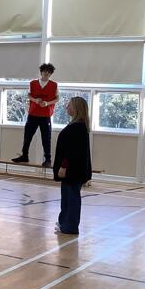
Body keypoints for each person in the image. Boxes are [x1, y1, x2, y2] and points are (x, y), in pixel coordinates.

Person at [53, 97, 92, 235]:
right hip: (73, 169)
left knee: (71, 198)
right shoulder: (78, 126)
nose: (66, 107)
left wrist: (64, 166)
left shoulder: (77, 127)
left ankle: (70, 226)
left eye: (69, 105)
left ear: (76, 108)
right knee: (67, 197)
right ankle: (65, 223)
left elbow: (72, 150)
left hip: (72, 170)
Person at [12, 63, 59, 168]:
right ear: (41, 72)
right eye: (44, 71)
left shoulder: (54, 85)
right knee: (27, 136)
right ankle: (24, 155)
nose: (46, 73)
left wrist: (47, 103)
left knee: (46, 138)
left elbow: (57, 98)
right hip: (33, 114)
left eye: (49, 72)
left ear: (51, 74)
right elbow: (29, 95)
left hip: (45, 115)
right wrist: (35, 100)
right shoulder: (33, 83)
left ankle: (48, 159)